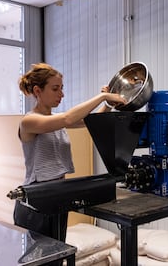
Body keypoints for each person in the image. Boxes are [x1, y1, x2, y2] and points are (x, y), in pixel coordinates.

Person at [13, 63, 125, 246]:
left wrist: (108, 104)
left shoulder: (56, 120)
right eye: (55, 89)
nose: (61, 94)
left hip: (58, 198)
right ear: (37, 91)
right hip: (35, 204)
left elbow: (92, 121)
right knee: (40, 261)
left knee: (57, 257)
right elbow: (68, 119)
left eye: (62, 88)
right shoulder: (29, 121)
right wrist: (103, 95)